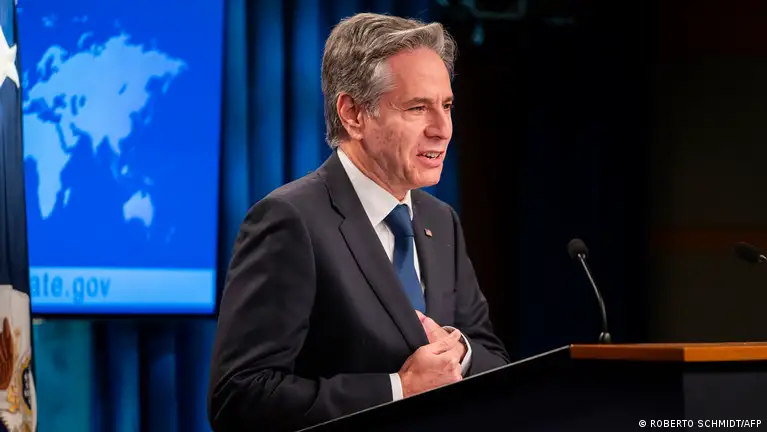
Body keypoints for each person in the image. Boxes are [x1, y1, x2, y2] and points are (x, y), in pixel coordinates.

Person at [207, 12, 509, 432]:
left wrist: (460, 352)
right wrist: (399, 389)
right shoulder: (291, 221)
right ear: (353, 114)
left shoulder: (440, 221)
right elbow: (240, 396)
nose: (442, 129)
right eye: (418, 108)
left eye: (446, 106)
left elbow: (492, 357)